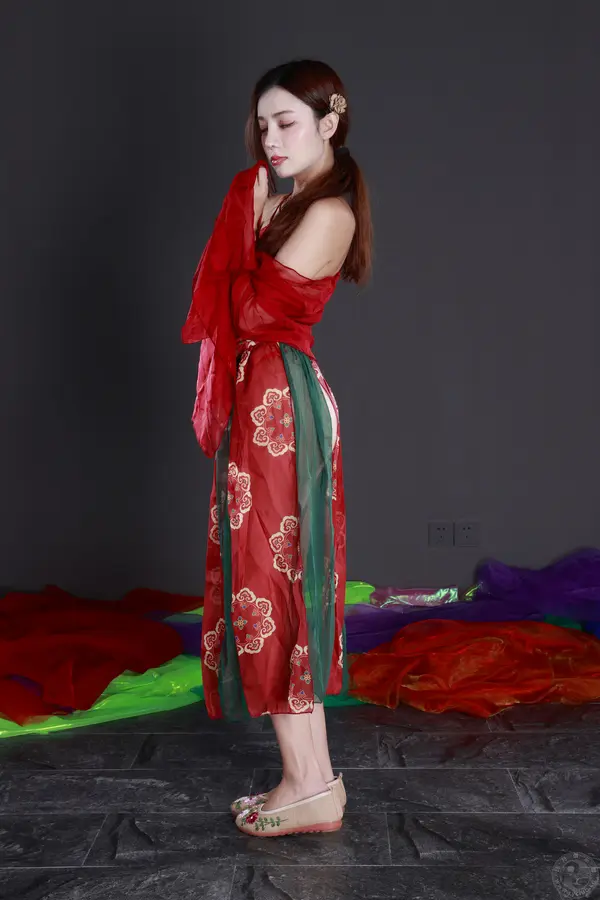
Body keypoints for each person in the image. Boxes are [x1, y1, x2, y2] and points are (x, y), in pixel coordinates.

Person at [181, 58, 372, 837]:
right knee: (268, 579)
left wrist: (245, 214)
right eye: (263, 125)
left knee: (275, 585)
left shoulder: (327, 211)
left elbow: (255, 314)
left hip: (281, 408)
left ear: (330, 121)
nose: (271, 139)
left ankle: (307, 784)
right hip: (261, 399)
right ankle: (314, 781)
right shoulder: (287, 204)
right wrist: (253, 214)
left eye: (287, 122)